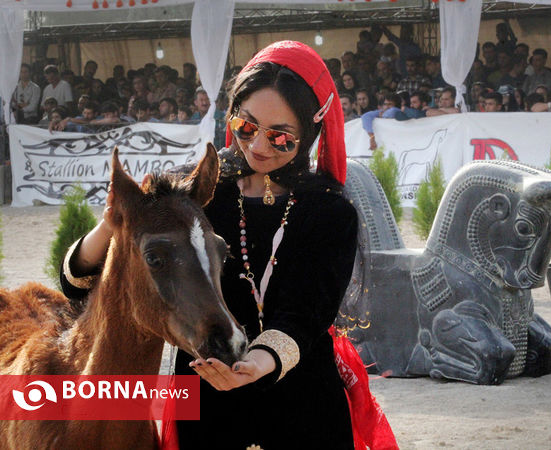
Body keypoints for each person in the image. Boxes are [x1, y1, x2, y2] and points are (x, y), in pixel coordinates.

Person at [59, 41, 375, 450]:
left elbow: (304, 314)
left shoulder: (329, 211)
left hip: (302, 401)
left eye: (281, 138)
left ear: (313, 129)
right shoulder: (195, 195)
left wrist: (255, 364)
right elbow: (78, 285)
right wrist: (111, 222)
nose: (258, 146)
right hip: (206, 403)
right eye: (247, 126)